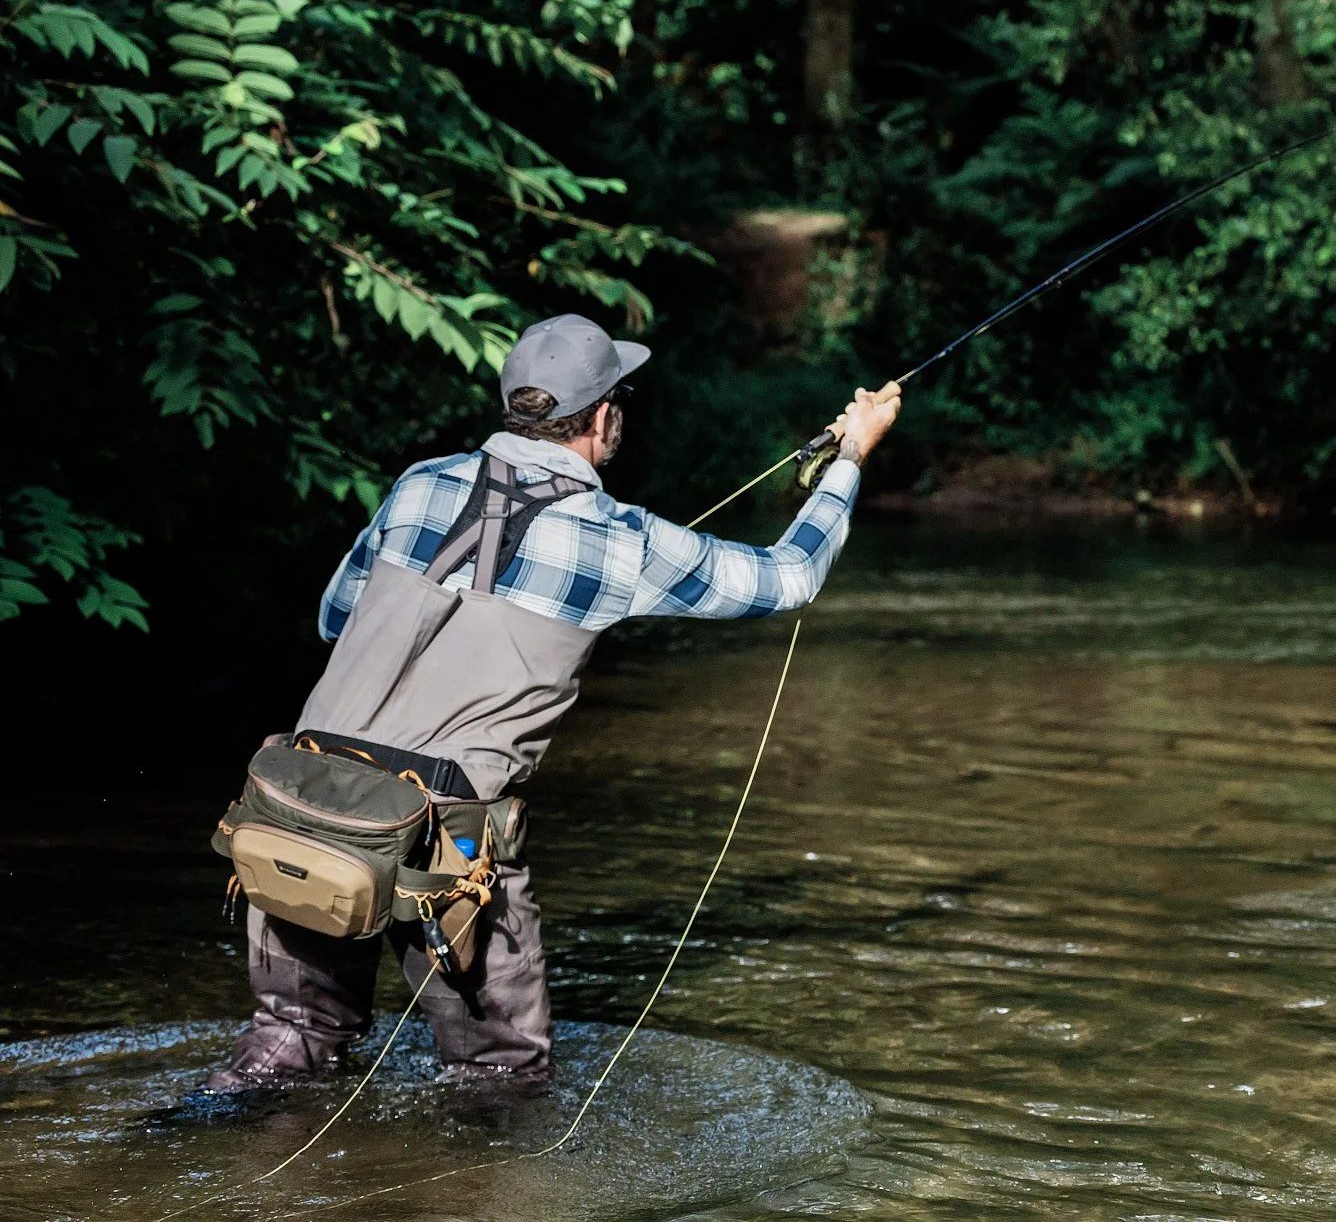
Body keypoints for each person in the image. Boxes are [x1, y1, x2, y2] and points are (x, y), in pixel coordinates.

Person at [210, 313, 900, 1090]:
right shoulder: (619, 539)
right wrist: (850, 456)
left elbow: (334, 618)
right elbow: (788, 579)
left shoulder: (417, 485)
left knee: (288, 1051)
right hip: (447, 842)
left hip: (300, 805)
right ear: (604, 415)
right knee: (499, 1080)